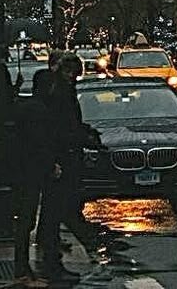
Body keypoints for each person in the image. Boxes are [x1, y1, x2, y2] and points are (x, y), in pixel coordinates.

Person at [37, 53, 101, 281]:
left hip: (62, 155)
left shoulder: (59, 91)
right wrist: (82, 137)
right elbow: (62, 128)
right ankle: (54, 262)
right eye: (72, 73)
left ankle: (52, 256)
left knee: (54, 209)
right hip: (62, 157)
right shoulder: (60, 94)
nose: (74, 77)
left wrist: (85, 133)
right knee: (59, 207)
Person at [12, 91, 60, 286]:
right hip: (30, 176)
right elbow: (39, 146)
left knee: (25, 221)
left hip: (23, 174)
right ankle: (21, 270)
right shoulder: (38, 114)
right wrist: (50, 166)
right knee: (25, 221)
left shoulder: (28, 112)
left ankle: (23, 269)